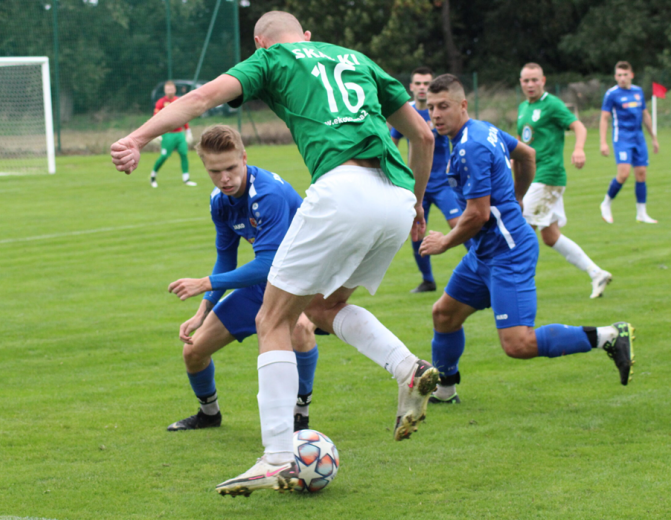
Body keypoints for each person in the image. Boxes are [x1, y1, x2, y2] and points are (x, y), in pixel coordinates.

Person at [111, 11, 439, 497]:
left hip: (342, 188)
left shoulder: (271, 58)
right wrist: (417, 205)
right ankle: (407, 368)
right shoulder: (357, 58)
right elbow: (424, 136)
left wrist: (138, 137)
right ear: (307, 36)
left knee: (272, 320)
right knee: (325, 308)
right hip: (395, 196)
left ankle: (277, 455)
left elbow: (200, 99)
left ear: (261, 42)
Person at [420, 74, 635, 406]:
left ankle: (608, 336)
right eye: (431, 107)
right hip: (485, 252)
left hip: (508, 252)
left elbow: (477, 214)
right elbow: (527, 154)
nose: (435, 114)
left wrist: (445, 241)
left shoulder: (470, 146)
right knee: (444, 315)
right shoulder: (483, 129)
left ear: (462, 105)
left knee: (517, 344)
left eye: (443, 106)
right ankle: (445, 389)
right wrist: (518, 196)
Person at [166, 125, 318, 434]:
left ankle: (299, 415)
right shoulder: (219, 201)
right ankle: (209, 414)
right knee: (193, 350)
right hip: (265, 285)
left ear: (244, 157)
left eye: (231, 168)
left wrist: (205, 283)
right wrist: (203, 310)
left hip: (305, 279)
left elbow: (267, 263)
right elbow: (226, 257)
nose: (224, 178)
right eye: (215, 171)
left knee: (300, 329)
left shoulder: (268, 194)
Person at [517, 63, 612, 299]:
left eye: (534, 80)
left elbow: (579, 127)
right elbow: (521, 143)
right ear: (521, 82)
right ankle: (596, 273)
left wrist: (579, 148)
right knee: (549, 236)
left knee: (520, 227)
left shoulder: (552, 104)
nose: (530, 84)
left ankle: (518, 284)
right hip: (532, 178)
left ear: (543, 80)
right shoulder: (522, 108)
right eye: (526, 80)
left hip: (547, 176)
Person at [391, 66, 468, 294]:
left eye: (427, 83)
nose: (423, 87)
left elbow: (459, 139)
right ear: (412, 87)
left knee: (459, 225)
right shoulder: (406, 114)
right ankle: (428, 280)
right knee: (416, 232)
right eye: (419, 83)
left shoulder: (442, 113)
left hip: (444, 184)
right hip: (417, 187)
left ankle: (483, 267)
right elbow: (391, 145)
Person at [599, 61, 659, 224]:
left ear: (631, 75)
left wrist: (654, 138)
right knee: (624, 174)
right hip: (622, 138)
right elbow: (604, 118)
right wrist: (603, 142)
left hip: (638, 138)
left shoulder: (638, 92)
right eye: (619, 75)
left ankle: (641, 213)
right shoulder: (611, 94)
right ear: (615, 77)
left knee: (641, 174)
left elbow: (645, 115)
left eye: (625, 75)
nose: (622, 78)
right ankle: (606, 203)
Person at [150, 81, 196, 188]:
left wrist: (188, 131)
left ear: (175, 90)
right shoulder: (160, 102)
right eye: (168, 89)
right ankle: (153, 176)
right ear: (165, 91)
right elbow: (155, 118)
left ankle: (186, 179)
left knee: (184, 154)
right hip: (168, 134)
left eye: (172, 89)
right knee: (164, 156)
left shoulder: (178, 101)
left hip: (179, 133)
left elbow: (184, 117)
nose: (170, 91)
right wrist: (155, 133)